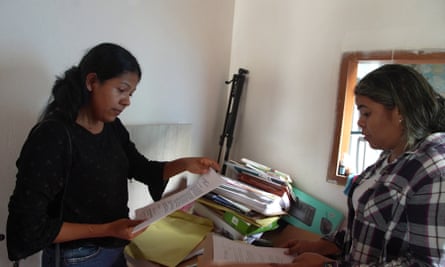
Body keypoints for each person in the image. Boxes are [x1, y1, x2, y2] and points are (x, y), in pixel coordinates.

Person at [203, 64, 445, 267]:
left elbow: (424, 263)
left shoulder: (433, 169)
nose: (360, 122)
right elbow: (364, 226)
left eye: (367, 113)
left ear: (399, 111)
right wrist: (325, 244)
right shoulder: (392, 153)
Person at [6, 42, 220, 267]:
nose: (127, 101)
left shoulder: (112, 127)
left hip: (114, 247)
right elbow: (28, 225)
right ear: (91, 82)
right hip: (77, 257)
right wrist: (108, 229)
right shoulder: (53, 136)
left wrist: (186, 164)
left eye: (131, 93)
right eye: (121, 89)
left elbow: (142, 169)